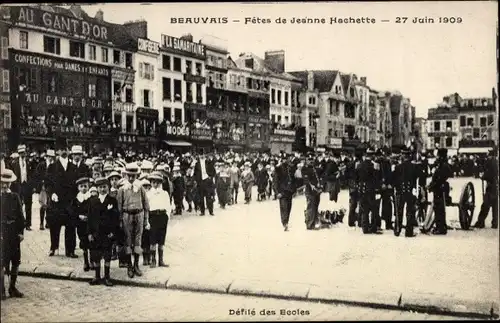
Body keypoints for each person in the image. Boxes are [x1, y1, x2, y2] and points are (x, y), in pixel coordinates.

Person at [116, 163, 150, 278]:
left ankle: (136, 265)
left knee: (138, 241)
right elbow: (119, 206)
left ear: (137, 176)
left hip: (139, 215)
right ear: (126, 175)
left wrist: (146, 220)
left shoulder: (140, 188)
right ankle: (129, 266)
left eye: (133, 176)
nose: (131, 178)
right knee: (128, 241)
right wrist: (120, 220)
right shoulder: (122, 189)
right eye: (129, 176)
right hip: (127, 216)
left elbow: (146, 205)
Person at [46, 146, 78, 257]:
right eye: (62, 149)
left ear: (69, 151)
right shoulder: (52, 167)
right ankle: (53, 247)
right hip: (57, 201)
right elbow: (48, 184)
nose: (64, 151)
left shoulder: (73, 167)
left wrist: (75, 198)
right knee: (55, 225)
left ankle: (70, 250)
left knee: (70, 226)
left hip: (69, 201)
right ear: (58, 151)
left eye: (66, 149)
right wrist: (52, 194)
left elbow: (76, 185)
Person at [87, 177, 120, 287]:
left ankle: (106, 276)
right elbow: (90, 218)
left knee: (107, 255)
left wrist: (113, 232)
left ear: (108, 187)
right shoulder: (92, 201)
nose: (102, 189)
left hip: (107, 233)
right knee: (96, 254)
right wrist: (90, 233)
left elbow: (116, 218)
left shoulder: (112, 201)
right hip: (96, 233)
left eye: (104, 187)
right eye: (100, 187)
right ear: (97, 189)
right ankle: (97, 276)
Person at [1, 168, 25, 300]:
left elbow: (21, 216)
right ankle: (1, 290)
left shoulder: (15, 197)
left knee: (15, 261)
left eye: (7, 183)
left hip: (14, 232)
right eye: (2, 183)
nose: (4, 185)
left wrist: (21, 232)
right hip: (2, 232)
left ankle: (12, 287)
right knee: (2, 261)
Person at [147, 171, 172, 268]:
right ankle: (153, 260)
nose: (156, 184)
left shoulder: (164, 193)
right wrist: (147, 220)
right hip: (153, 216)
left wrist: (167, 216)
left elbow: (168, 206)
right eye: (153, 182)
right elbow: (147, 207)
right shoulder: (148, 194)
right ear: (151, 183)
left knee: (161, 240)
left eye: (158, 182)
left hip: (162, 216)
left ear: (161, 183)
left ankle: (161, 260)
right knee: (153, 239)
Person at [426, 148, 454, 235]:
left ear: (441, 156)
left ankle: (441, 228)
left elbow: (439, 179)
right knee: (437, 208)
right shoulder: (441, 165)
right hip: (438, 189)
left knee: (439, 209)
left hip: (440, 189)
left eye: (438, 155)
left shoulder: (444, 166)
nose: (437, 157)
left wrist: (431, 186)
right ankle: (440, 226)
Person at [393, 148, 419, 237]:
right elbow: (416, 180)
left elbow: (394, 180)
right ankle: (409, 232)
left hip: (400, 192)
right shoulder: (414, 167)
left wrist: (396, 188)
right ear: (409, 156)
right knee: (410, 212)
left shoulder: (398, 167)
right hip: (410, 192)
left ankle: (397, 229)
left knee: (398, 211)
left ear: (403, 156)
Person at [10, 145, 35, 231]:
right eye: (20, 153)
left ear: (25, 153)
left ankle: (28, 224)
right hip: (18, 185)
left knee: (28, 205)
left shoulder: (29, 162)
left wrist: (32, 185)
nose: (22, 154)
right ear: (18, 153)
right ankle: (19, 223)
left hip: (27, 185)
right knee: (19, 205)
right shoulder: (14, 163)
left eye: (23, 153)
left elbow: (32, 174)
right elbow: (13, 174)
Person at [473, 148, 498, 229]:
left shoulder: (491, 162)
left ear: (491, 155)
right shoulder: (496, 161)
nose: (487, 156)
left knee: (485, 205)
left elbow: (489, 173)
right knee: (495, 206)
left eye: (488, 154)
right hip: (495, 186)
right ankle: (495, 223)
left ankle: (480, 222)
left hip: (491, 186)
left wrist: (483, 177)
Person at [70, 177, 92, 271]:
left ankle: (93, 261)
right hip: (81, 224)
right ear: (78, 188)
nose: (83, 188)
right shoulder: (76, 200)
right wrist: (79, 216)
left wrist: (89, 217)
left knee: (91, 241)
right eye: (81, 186)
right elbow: (73, 211)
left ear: (88, 187)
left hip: (90, 224)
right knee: (83, 242)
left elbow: (94, 210)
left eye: (85, 186)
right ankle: (86, 261)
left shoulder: (91, 198)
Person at [274, 155, 297, 231]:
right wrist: (277, 192)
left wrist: (294, 190)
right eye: (283, 160)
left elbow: (293, 180)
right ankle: (285, 223)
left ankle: (286, 221)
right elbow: (276, 182)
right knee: (284, 208)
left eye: (286, 159)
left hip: (289, 192)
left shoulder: (290, 168)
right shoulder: (278, 169)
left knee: (288, 208)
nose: (285, 161)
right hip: (282, 192)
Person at [35, 149, 55, 230]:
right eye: (49, 156)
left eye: (51, 157)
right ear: (46, 157)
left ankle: (48, 222)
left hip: (51, 187)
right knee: (43, 205)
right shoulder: (41, 165)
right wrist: (40, 183)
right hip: (43, 186)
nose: (50, 158)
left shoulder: (54, 165)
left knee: (50, 205)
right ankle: (41, 223)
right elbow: (37, 175)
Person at [303, 155, 322, 230]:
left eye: (312, 159)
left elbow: (319, 178)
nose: (311, 161)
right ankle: (309, 224)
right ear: (306, 161)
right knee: (310, 207)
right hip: (310, 191)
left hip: (317, 191)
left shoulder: (315, 168)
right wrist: (312, 185)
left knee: (315, 207)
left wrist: (320, 185)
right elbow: (306, 180)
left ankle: (313, 222)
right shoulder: (305, 169)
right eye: (309, 159)